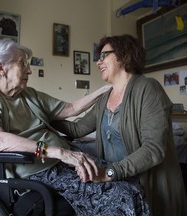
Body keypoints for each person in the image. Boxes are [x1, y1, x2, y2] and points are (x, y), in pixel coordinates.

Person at [0, 38, 150, 215]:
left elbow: (71, 109)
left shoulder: (28, 95)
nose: (29, 70)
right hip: (37, 170)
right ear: (0, 67)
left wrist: (107, 89)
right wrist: (58, 152)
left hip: (63, 159)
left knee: (129, 180)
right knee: (121, 195)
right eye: (22, 63)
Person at [51, 34, 187, 216]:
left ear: (122, 55)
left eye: (103, 56)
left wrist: (109, 172)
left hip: (150, 188)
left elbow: (154, 149)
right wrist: (44, 115)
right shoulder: (104, 98)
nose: (98, 63)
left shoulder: (148, 88)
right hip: (119, 185)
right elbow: (77, 129)